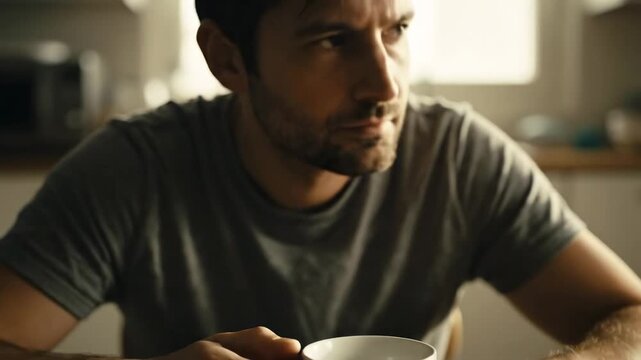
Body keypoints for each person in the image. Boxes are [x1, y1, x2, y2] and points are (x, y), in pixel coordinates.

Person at [1, 0, 641, 359]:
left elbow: (632, 315)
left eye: (397, 30)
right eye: (333, 40)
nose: (386, 86)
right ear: (228, 58)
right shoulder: (131, 170)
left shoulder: (455, 155)